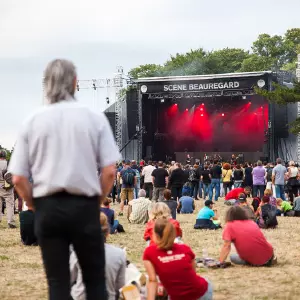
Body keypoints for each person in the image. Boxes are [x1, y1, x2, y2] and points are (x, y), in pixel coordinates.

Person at [9, 59, 120, 300]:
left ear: (46, 84)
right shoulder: (95, 118)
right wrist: (96, 200)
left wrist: (33, 204)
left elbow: (17, 177)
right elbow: (110, 171)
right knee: (95, 282)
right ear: (75, 83)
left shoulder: (32, 121)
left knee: (57, 284)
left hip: (48, 207)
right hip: (85, 205)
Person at [143, 218, 213, 300]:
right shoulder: (185, 248)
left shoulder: (150, 252)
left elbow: (152, 281)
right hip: (202, 292)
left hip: (178, 296)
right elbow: (192, 273)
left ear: (155, 235)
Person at [70, 213, 126, 300]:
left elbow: (70, 278)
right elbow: (120, 285)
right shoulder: (119, 254)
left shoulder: (78, 252)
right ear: (107, 233)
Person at [0, 149, 16, 228]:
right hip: (6, 186)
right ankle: (11, 222)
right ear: (5, 155)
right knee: (10, 204)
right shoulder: (8, 163)